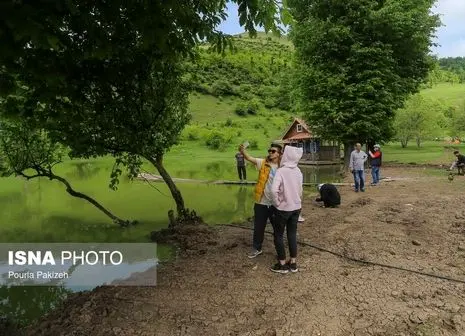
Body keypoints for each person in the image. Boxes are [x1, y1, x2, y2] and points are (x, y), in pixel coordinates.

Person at [240, 142, 283, 258]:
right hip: (261, 202)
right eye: (269, 151)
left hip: (276, 203)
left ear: (279, 154)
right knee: (259, 227)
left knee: (278, 228)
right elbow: (249, 158)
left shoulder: (283, 167)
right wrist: (242, 150)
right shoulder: (262, 163)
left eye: (273, 151)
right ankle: (257, 248)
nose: (270, 153)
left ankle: (280, 251)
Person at [270, 145, 303, 274]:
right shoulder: (298, 171)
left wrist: (277, 203)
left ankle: (282, 264)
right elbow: (300, 190)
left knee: (278, 235)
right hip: (296, 208)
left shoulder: (281, 171)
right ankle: (293, 263)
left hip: (283, 209)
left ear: (286, 156)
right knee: (292, 234)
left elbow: (273, 190)